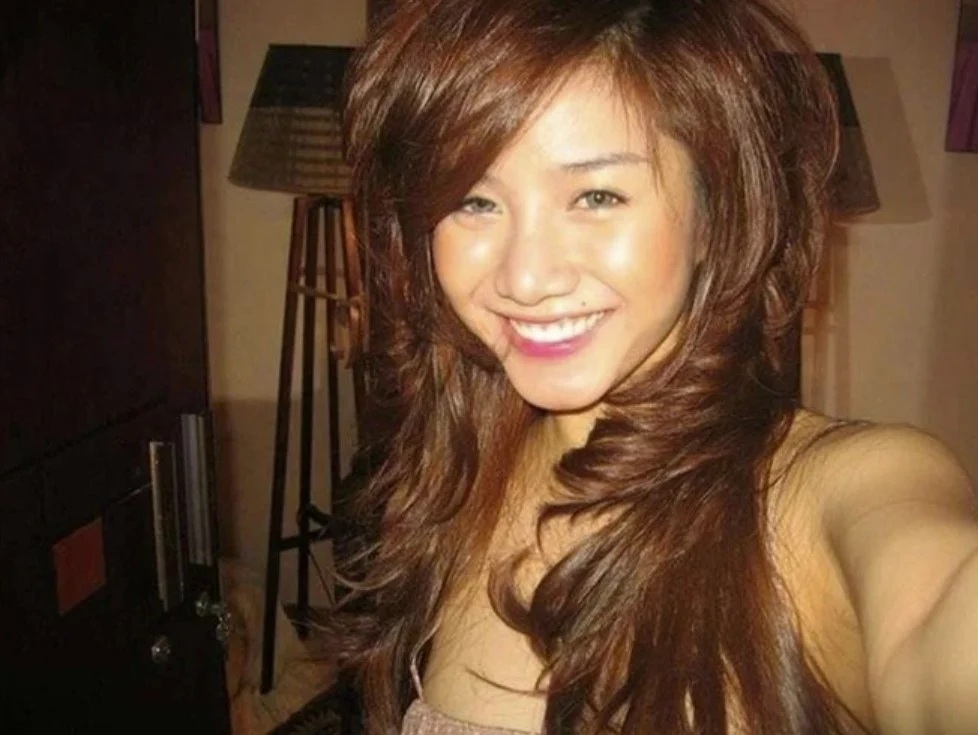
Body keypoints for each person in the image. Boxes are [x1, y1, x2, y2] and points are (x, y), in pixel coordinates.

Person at [325, 0, 978, 732]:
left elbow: (939, 614)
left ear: (715, 214)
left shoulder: (835, 488)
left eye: (596, 196)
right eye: (474, 201)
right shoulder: (458, 477)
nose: (525, 278)